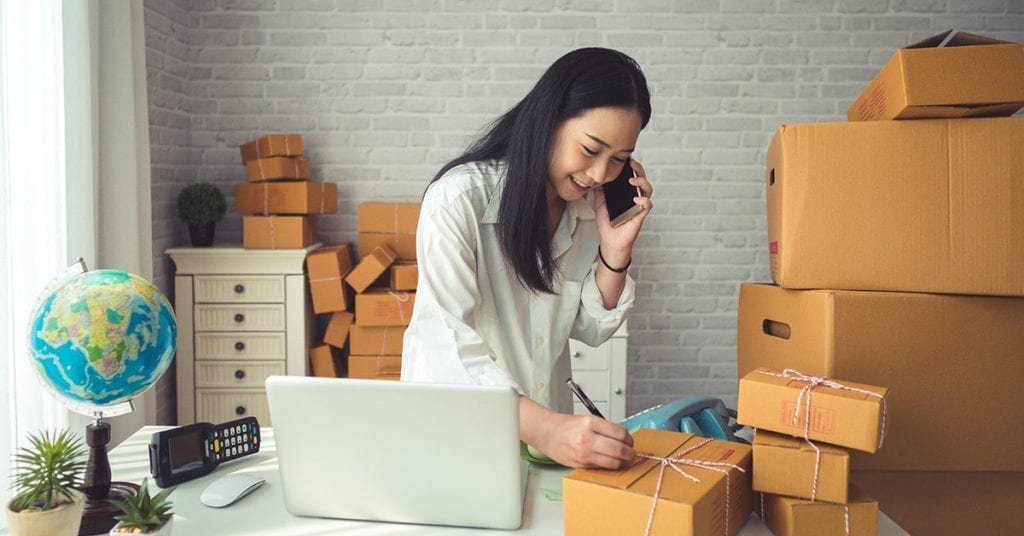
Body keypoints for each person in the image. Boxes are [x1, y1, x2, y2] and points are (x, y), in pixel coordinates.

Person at [401, 47, 653, 470]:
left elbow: (590, 329)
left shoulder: (588, 209)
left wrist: (615, 251)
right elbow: (445, 345)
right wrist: (547, 428)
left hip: (542, 447)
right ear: (548, 120)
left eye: (619, 160)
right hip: (459, 439)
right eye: (590, 149)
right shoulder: (459, 200)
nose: (598, 174)